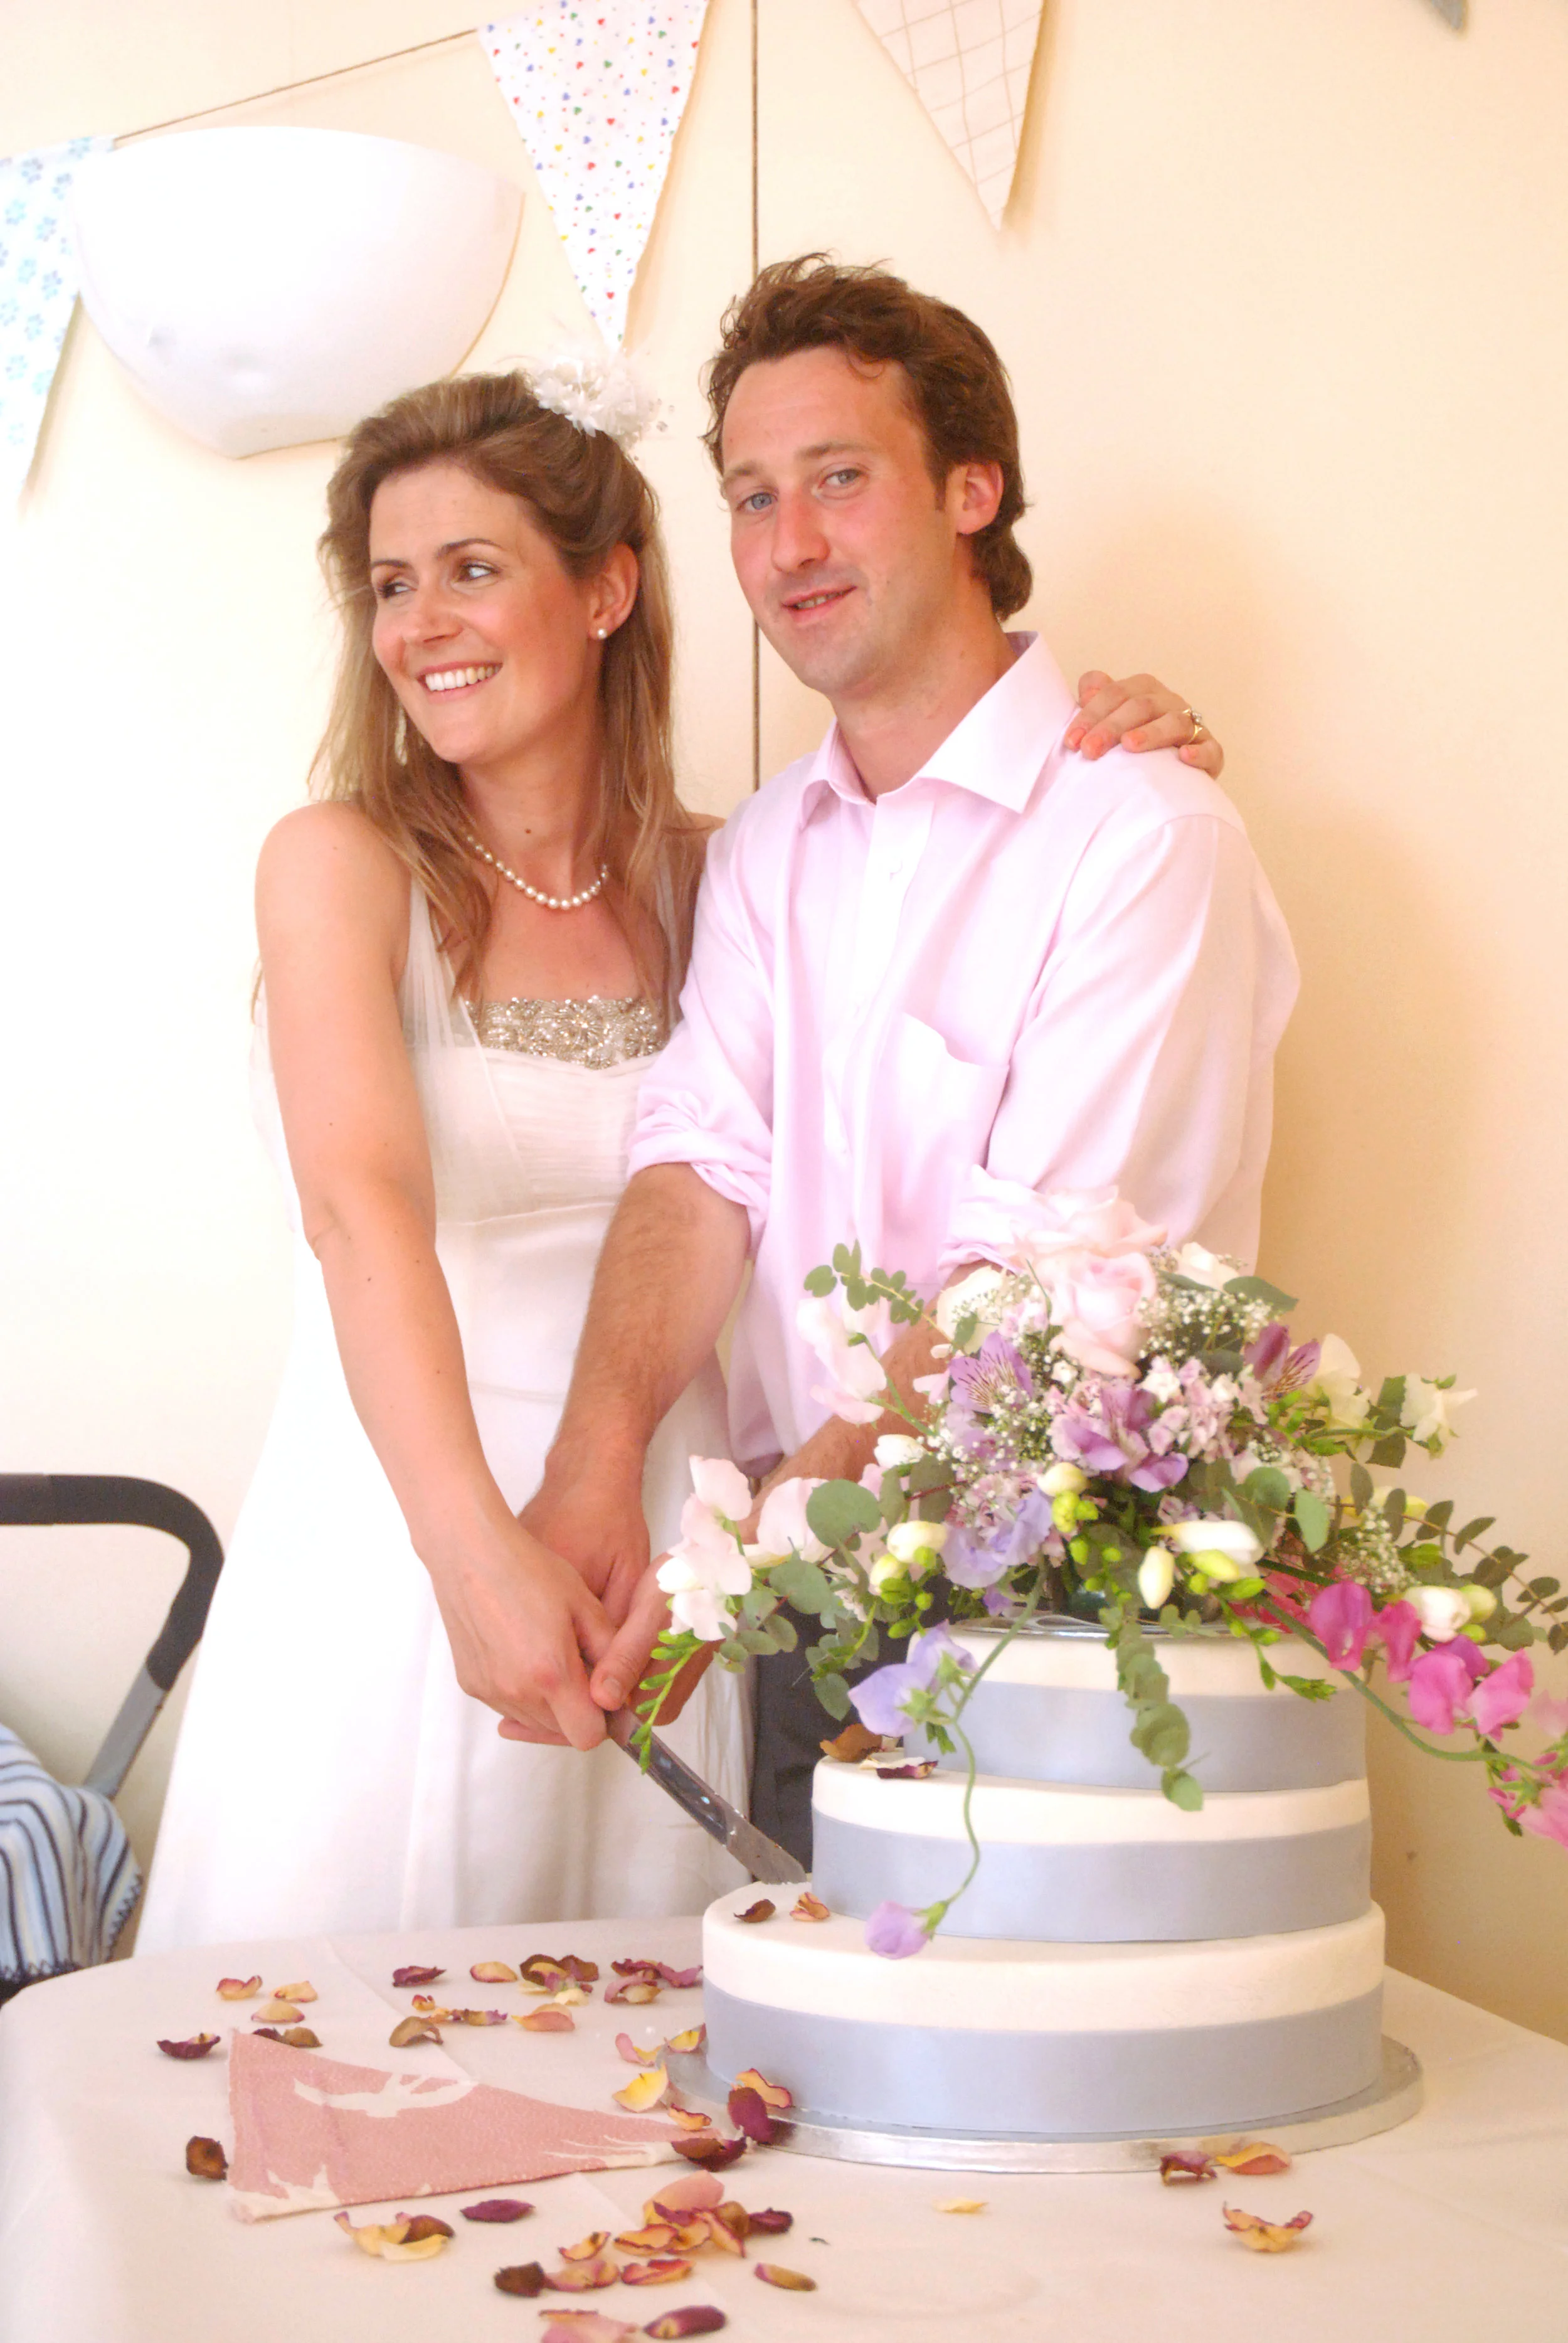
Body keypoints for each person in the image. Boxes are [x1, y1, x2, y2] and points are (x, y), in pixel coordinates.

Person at [138, 356, 1210, 1944]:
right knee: (332, 2017)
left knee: (644, 2047)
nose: (420, 623)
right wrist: (468, 1550)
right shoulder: (336, 863)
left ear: (605, 591)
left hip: (669, 1530)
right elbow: (359, 1214)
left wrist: (1125, 733)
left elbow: (822, 1133)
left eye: (473, 570)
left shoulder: (744, 870)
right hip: (406, 1509)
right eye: (388, 585)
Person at [519, 258, 1299, 1864]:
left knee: (1060, 2097)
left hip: (1074, 1611)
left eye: (836, 479)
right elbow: (699, 1164)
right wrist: (592, 1470)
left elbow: (1037, 1292)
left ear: (970, 487)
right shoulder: (761, 858)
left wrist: (746, 1554)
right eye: (748, 496)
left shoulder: (1141, 839)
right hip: (819, 1604)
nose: (787, 544)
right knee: (828, 2094)